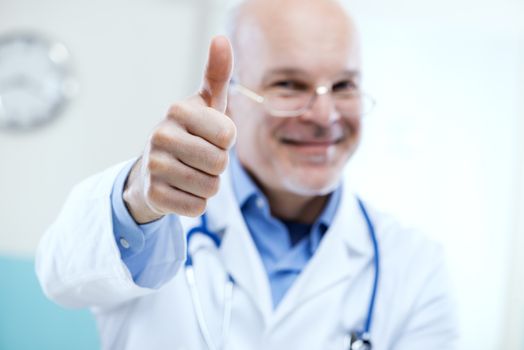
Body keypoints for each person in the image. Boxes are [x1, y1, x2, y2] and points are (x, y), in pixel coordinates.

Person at [36, 0, 458, 349]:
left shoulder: (415, 266)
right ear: (232, 98)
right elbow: (59, 278)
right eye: (290, 85)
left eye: (344, 85)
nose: (325, 116)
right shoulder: (157, 226)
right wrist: (139, 199)